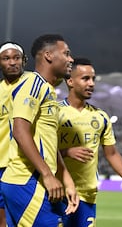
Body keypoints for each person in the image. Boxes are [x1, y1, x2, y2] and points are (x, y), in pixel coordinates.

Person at [1, 34, 79, 226]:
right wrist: (47, 174)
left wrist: (66, 180)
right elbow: (19, 130)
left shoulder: (46, 89)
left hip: (34, 181)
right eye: (66, 54)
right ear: (48, 55)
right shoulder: (33, 84)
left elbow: (49, 143)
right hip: (28, 180)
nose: (71, 59)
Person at [58, 58, 122, 226]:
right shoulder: (55, 112)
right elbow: (42, 151)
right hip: (58, 193)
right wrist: (66, 152)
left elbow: (111, 153)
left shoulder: (101, 116)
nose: (91, 83)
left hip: (88, 196)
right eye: (85, 78)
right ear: (70, 81)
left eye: (93, 79)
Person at [0, 41, 29, 227]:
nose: (12, 62)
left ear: (24, 61)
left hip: (25, 167)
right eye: (6, 58)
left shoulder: (33, 86)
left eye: (16, 58)